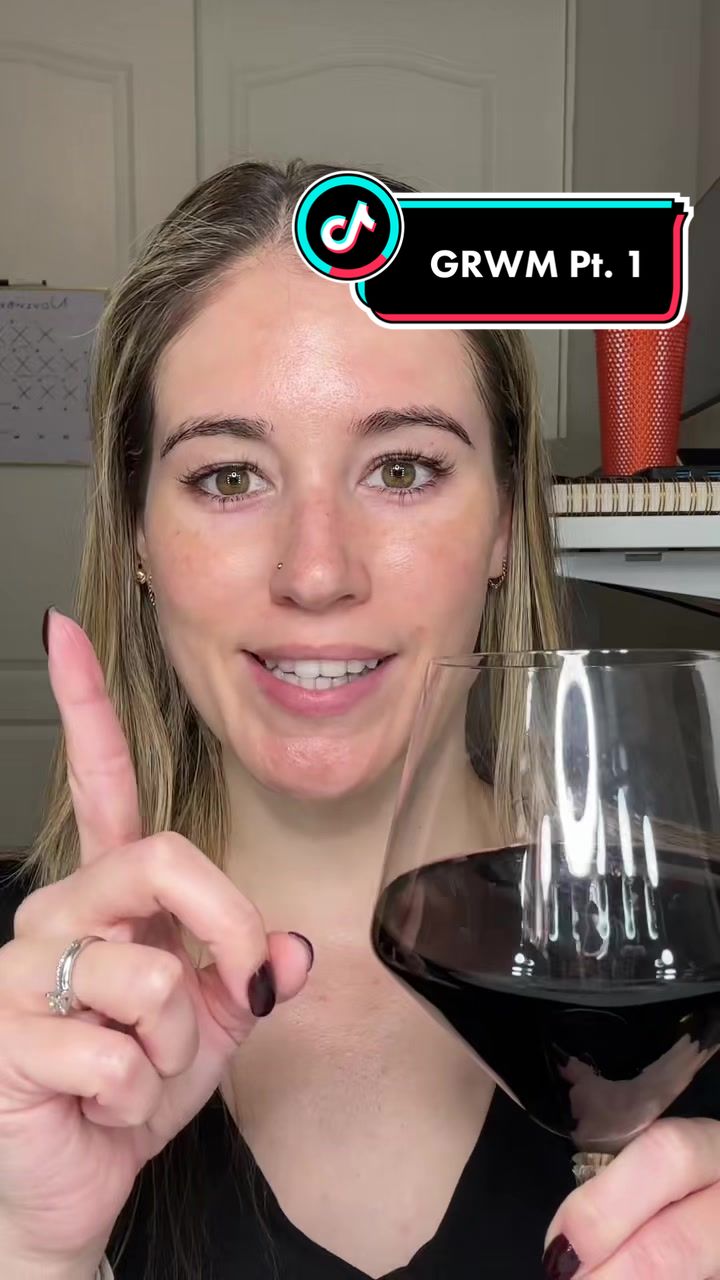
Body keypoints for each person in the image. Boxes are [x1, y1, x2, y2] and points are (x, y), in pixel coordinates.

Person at [0, 159, 718, 1280]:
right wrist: (29, 1247)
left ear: (503, 523)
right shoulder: (17, 1023)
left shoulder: (692, 960)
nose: (317, 571)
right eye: (229, 477)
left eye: (403, 467)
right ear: (136, 534)